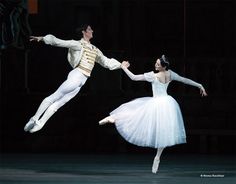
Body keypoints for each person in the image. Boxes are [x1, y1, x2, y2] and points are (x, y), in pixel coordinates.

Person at [99, 55, 207, 173]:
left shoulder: (153, 76)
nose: (155, 65)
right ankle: (157, 156)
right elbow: (185, 80)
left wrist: (123, 67)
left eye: (158, 64)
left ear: (163, 66)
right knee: (163, 131)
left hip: (157, 103)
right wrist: (199, 85)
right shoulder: (170, 74)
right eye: (156, 63)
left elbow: (134, 78)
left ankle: (114, 117)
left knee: (136, 112)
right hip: (167, 103)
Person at [24, 24, 123, 133]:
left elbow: (106, 61)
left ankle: (40, 123)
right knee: (55, 96)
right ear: (83, 32)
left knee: (59, 103)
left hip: (83, 80)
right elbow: (59, 42)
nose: (92, 31)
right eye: (89, 29)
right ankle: (34, 119)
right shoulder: (78, 44)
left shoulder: (95, 49)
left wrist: (120, 65)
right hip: (77, 74)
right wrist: (43, 38)